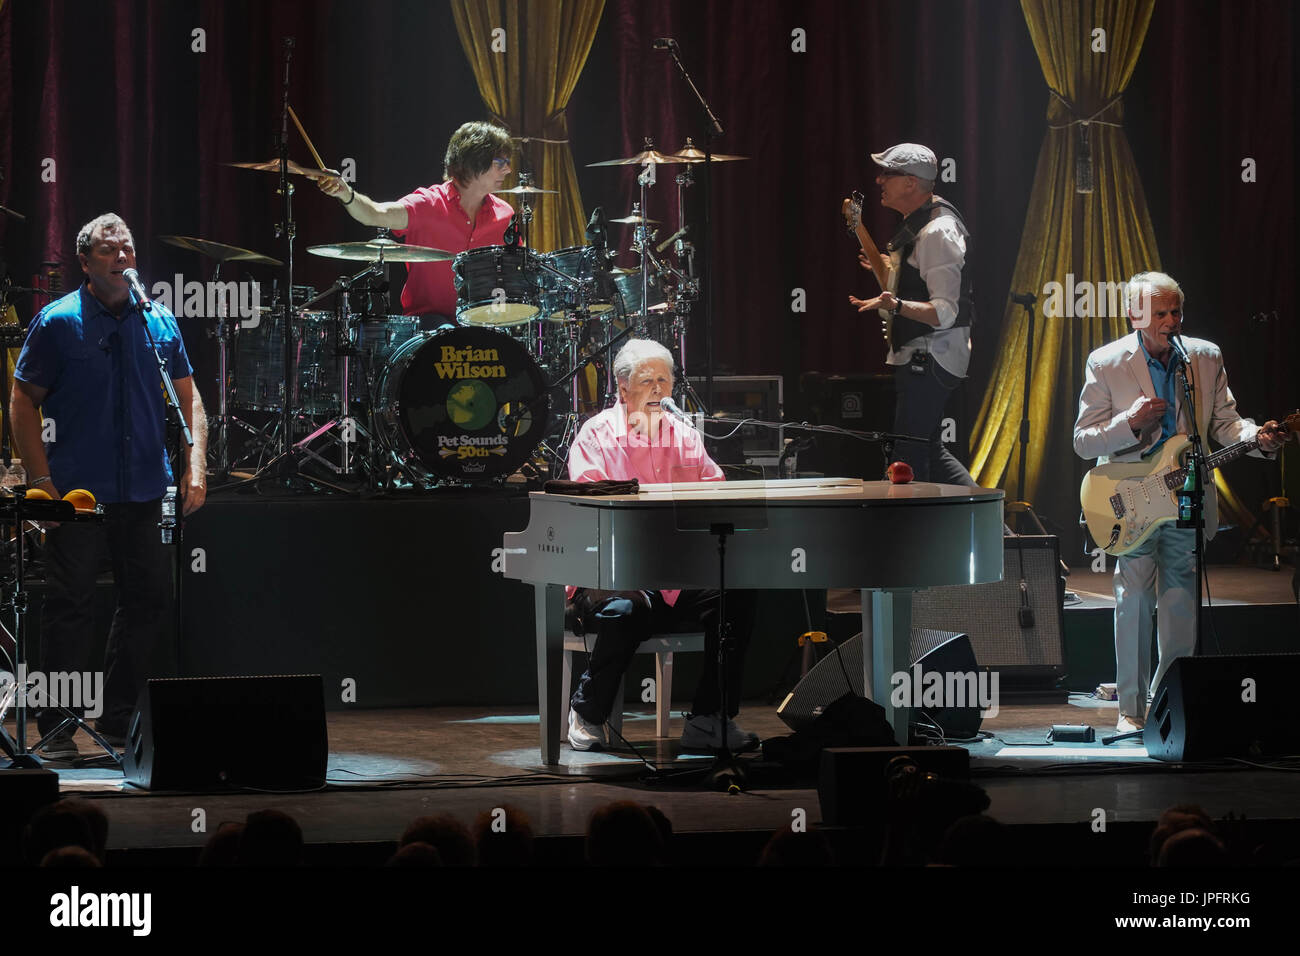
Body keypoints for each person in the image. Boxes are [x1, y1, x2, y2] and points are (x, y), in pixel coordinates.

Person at [11, 212, 207, 759]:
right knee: (70, 606)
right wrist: (40, 483)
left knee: (147, 602)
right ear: (85, 262)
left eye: (127, 250)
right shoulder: (58, 322)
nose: (122, 258)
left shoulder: (159, 322)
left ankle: (119, 720)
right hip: (77, 496)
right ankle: (56, 729)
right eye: (108, 251)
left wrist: (196, 465)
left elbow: (190, 398)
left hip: (145, 489)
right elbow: (22, 400)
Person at [1072, 272, 1286, 732]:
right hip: (1132, 498)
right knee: (1133, 599)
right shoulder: (1106, 362)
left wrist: (1259, 438)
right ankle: (1130, 709)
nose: (1170, 321)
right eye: (1160, 313)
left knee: (1180, 599)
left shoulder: (1203, 357)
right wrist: (1129, 423)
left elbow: (1226, 425)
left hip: (1187, 494)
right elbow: (1083, 441)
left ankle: (1170, 703)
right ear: (1135, 315)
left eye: (1176, 312)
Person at [564, 339, 759, 754]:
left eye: (664, 381)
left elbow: (715, 492)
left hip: (675, 574)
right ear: (622, 388)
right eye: (647, 381)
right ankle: (587, 711)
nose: (657, 390)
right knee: (624, 609)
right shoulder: (596, 435)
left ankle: (709, 718)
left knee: (736, 594)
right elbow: (589, 508)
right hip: (611, 571)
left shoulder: (685, 435)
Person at [849, 142, 976, 484]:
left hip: (931, 354)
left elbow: (945, 312)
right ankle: (997, 530)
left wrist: (897, 305)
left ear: (910, 183)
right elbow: (922, 282)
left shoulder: (936, 231)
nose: (878, 180)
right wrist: (896, 271)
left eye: (887, 173)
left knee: (909, 455)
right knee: (928, 448)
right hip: (925, 353)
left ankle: (920, 532)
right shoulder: (919, 222)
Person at [317, 121, 515, 323]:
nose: (508, 170)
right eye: (500, 162)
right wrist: (345, 193)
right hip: (429, 326)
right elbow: (375, 213)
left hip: (484, 324)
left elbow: (517, 273)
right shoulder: (427, 204)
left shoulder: (505, 214)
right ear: (474, 162)